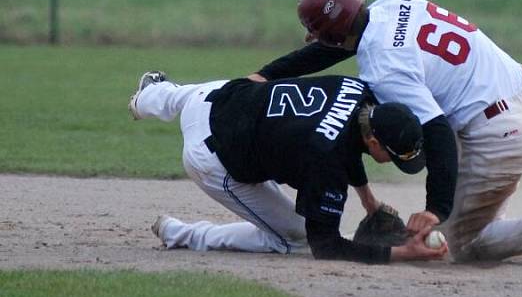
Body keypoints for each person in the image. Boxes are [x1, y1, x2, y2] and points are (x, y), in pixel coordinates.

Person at [247, 0, 522, 265]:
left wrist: (434, 208)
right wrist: (267, 75)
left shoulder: (383, 69)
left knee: (462, 244)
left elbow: (436, 129)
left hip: (499, 133)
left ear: (329, 33)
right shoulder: (394, 3)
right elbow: (335, 46)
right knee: (468, 209)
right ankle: (480, 210)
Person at [128, 70, 447, 264]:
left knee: (189, 97)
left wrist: (369, 202)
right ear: (375, 143)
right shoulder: (326, 161)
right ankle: (184, 234)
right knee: (292, 240)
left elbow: (342, 137)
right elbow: (325, 245)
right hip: (212, 156)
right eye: (393, 156)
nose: (394, 161)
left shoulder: (358, 91)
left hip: (218, 94)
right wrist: (404, 254)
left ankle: (151, 95)